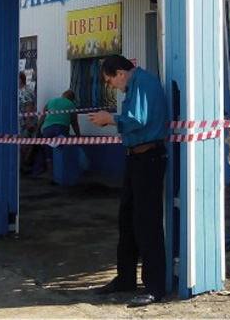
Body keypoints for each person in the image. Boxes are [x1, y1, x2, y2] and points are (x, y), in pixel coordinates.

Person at [88, 55, 168, 308]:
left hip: (148, 159)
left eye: (109, 80)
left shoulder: (143, 83)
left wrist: (109, 119)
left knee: (147, 222)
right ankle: (126, 278)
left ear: (120, 73)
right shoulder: (135, 85)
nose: (111, 86)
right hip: (136, 158)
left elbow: (137, 120)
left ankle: (155, 287)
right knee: (127, 219)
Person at [36, 90, 80, 181]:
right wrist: (78, 136)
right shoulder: (71, 105)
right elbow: (74, 123)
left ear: (63, 95)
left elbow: (42, 117)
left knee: (48, 154)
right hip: (61, 129)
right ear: (71, 98)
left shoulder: (51, 102)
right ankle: (62, 175)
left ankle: (51, 177)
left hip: (47, 130)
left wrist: (37, 129)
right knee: (62, 151)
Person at [18, 72, 37, 173]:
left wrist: (29, 121)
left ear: (20, 80)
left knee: (25, 145)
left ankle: (24, 166)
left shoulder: (25, 91)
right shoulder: (21, 91)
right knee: (22, 145)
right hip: (22, 123)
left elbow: (29, 105)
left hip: (25, 123)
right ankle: (22, 166)